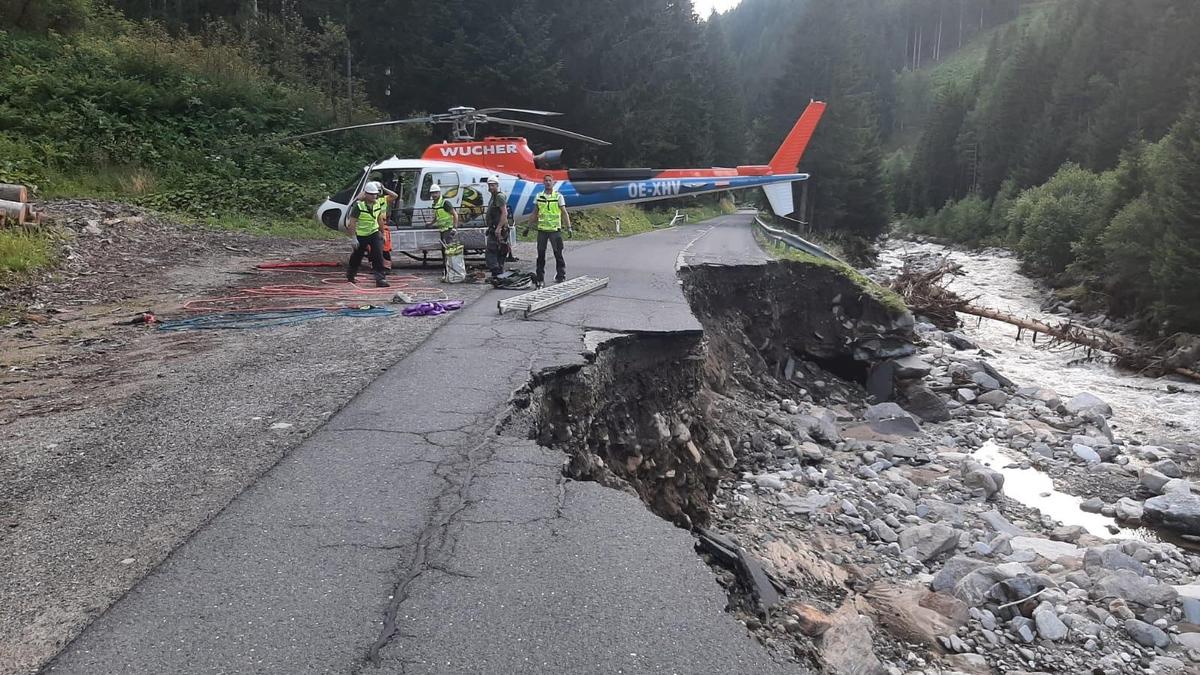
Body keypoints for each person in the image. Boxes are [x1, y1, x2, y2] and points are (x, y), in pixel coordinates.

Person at [346, 181, 393, 287]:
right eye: (371, 194)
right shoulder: (359, 207)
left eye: (375, 194)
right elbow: (352, 222)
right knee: (357, 256)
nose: (374, 196)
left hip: (374, 233)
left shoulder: (377, 204)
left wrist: (382, 234)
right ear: (366, 194)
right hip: (361, 235)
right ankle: (351, 275)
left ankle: (380, 279)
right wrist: (353, 238)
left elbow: (379, 219)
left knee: (378, 255)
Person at [530, 174, 570, 287]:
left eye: (550, 181)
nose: (548, 182)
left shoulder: (558, 196)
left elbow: (564, 212)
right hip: (542, 230)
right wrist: (529, 226)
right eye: (546, 180)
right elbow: (535, 212)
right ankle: (540, 278)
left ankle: (561, 275)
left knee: (558, 254)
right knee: (541, 255)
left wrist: (569, 227)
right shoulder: (539, 196)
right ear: (543, 182)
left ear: (553, 183)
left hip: (555, 230)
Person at [484, 176, 509, 278]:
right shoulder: (493, 196)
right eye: (489, 185)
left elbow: (504, 213)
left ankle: (497, 272)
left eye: (493, 185)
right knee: (498, 251)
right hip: (494, 228)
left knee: (492, 251)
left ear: (497, 186)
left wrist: (498, 228)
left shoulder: (499, 197)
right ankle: (498, 275)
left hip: (498, 229)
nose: (491, 187)